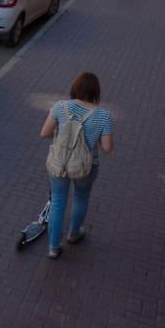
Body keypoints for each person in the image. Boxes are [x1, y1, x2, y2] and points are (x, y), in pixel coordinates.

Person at [39, 72, 114, 259]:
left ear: (75, 88)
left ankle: (53, 248)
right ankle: (74, 234)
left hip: (59, 163)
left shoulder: (60, 106)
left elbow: (44, 133)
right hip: (86, 166)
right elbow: (107, 148)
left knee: (57, 202)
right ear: (96, 92)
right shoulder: (103, 116)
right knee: (81, 197)